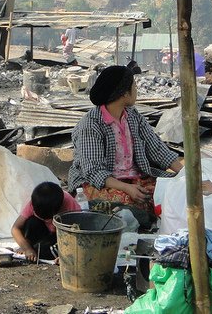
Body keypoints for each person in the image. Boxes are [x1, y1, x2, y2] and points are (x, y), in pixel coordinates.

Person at [68, 65, 183, 226]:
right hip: (101, 183)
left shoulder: (133, 116)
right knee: (127, 206)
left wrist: (184, 174)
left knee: (176, 190)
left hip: (134, 177)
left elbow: (156, 147)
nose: (136, 89)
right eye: (134, 86)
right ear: (123, 93)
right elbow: (93, 171)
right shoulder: (91, 124)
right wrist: (127, 188)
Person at [11, 181, 80, 262]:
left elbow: (78, 234)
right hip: (45, 233)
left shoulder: (71, 206)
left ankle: (41, 251)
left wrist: (66, 255)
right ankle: (34, 248)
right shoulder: (36, 202)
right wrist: (27, 248)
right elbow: (15, 228)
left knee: (50, 252)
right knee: (31, 222)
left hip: (62, 235)